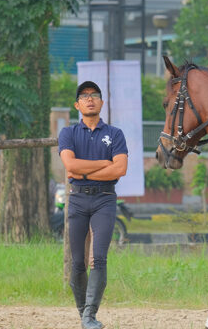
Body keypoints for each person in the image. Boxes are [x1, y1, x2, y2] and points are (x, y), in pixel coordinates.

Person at [58, 81, 128, 329]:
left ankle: (90, 315)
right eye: (84, 96)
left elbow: (120, 169)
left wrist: (84, 171)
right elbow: (70, 166)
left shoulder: (115, 134)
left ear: (101, 103)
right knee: (77, 262)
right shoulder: (68, 133)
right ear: (77, 105)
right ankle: (83, 314)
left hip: (105, 200)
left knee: (98, 257)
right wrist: (102, 164)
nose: (90, 99)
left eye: (94, 95)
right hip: (76, 200)